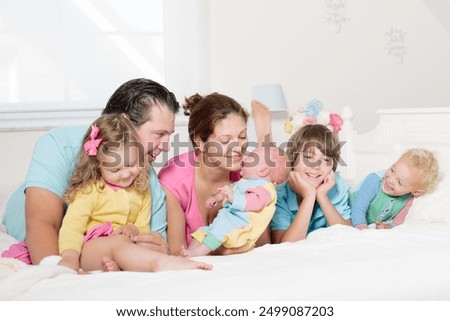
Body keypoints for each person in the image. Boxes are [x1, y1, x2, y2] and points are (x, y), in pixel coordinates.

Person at [2, 78, 179, 264]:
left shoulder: (148, 181)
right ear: (123, 123)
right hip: (17, 211)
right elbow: (42, 222)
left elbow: (152, 239)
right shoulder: (58, 146)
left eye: (169, 135)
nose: (167, 147)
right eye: (159, 134)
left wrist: (157, 247)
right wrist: (60, 275)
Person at [57, 115, 211, 272]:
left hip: (125, 247)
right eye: (115, 169)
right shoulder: (89, 191)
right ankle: (159, 263)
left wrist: (134, 230)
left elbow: (143, 227)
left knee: (137, 244)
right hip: (91, 250)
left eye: (131, 164)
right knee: (119, 244)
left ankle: (119, 266)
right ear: (97, 165)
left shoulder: (141, 191)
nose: (125, 174)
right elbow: (72, 227)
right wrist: (69, 257)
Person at [158, 94, 270, 256]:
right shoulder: (174, 180)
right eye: (225, 141)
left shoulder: (249, 173)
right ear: (200, 142)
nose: (238, 147)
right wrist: (227, 250)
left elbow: (263, 245)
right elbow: (177, 253)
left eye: (242, 137)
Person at [180, 145, 290, 258]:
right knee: (202, 233)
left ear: (263, 170)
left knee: (216, 234)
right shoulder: (245, 182)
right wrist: (217, 198)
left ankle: (196, 253)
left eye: (252, 156)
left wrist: (233, 198)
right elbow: (230, 189)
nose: (245, 157)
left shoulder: (266, 189)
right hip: (227, 223)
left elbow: (255, 202)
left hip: (240, 230)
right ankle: (189, 254)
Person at [270, 124, 352, 243]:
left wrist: (322, 196)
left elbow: (349, 236)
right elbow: (285, 245)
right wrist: (309, 196)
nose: (316, 166)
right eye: (308, 157)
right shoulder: (279, 193)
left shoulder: (337, 186)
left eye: (325, 160)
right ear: (293, 159)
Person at [350, 148, 439, 230]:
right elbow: (358, 210)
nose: (390, 180)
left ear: (416, 191)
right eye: (392, 170)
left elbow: (397, 223)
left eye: (399, 182)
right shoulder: (374, 181)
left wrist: (386, 227)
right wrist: (364, 231)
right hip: (347, 211)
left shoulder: (407, 199)